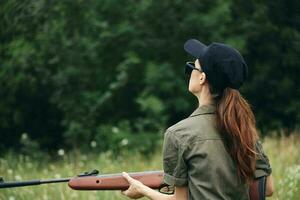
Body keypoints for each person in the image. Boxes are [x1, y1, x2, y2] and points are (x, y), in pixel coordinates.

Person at [121, 39, 274, 200]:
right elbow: (268, 188)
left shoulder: (178, 134)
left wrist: (143, 190)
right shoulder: (244, 130)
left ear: (202, 78)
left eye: (191, 67)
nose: (189, 72)